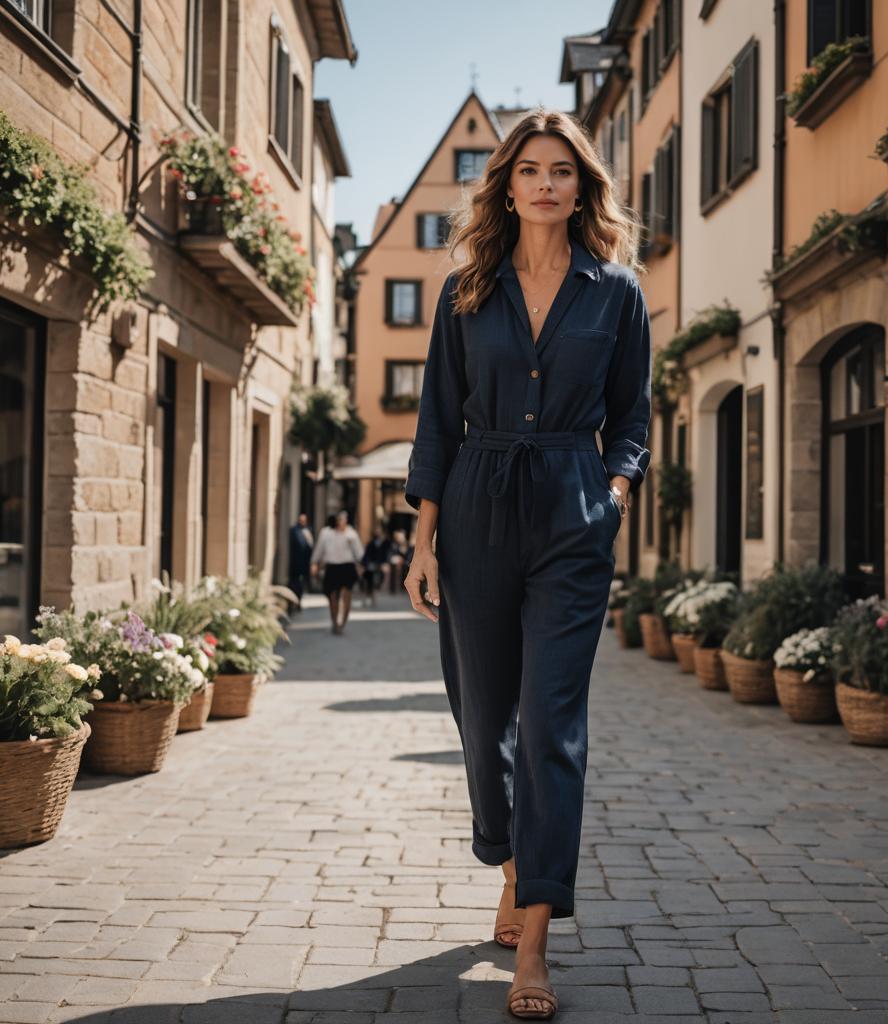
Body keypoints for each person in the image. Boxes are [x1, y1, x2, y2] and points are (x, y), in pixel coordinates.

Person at [402, 108, 650, 1020]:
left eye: (563, 171)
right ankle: (512, 863)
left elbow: (633, 416)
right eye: (531, 169)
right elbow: (436, 416)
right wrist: (423, 538)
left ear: (583, 187)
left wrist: (612, 492)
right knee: (482, 725)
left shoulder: (617, 292)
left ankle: (534, 944)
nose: (547, 183)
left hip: (572, 515)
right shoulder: (466, 288)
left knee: (552, 727)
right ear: (507, 184)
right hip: (474, 504)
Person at [310, 509, 365, 634]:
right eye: (339, 520)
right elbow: (319, 549)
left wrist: (361, 565)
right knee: (332, 596)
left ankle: (343, 623)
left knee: (346, 596)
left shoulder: (351, 534)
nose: (341, 522)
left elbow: (359, 553)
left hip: (347, 567)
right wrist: (314, 563)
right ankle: (335, 622)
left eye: (343, 519)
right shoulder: (326, 533)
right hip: (332, 567)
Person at [287, 513, 314, 614]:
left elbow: (310, 546)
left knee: (301, 584)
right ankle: (292, 602)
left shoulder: (308, 530)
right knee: (294, 583)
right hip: (296, 563)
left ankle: (298, 601)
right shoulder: (294, 530)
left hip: (304, 563)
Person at [361, 526, 391, 607]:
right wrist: (364, 565)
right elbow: (367, 555)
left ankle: (374, 599)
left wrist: (386, 563)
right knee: (369, 582)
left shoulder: (386, 543)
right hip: (371, 565)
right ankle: (371, 599)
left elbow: (388, 554)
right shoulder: (371, 543)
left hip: (381, 564)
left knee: (377, 582)